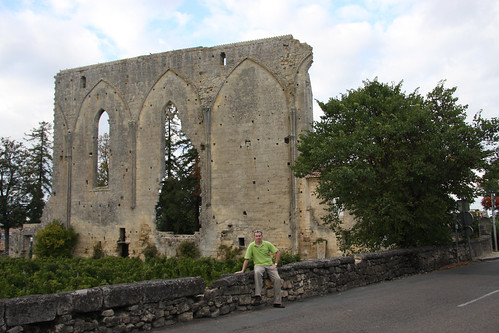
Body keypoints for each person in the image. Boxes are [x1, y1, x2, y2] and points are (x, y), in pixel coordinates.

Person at [236, 230, 285, 308]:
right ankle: (258, 295)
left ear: (262, 236)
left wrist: (275, 264)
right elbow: (247, 259)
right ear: (254, 237)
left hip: (269, 265)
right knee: (257, 272)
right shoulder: (252, 246)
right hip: (259, 265)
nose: (258, 237)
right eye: (257, 236)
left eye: (259, 236)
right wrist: (242, 270)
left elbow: (277, 252)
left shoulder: (267, 244)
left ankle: (277, 302)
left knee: (277, 279)